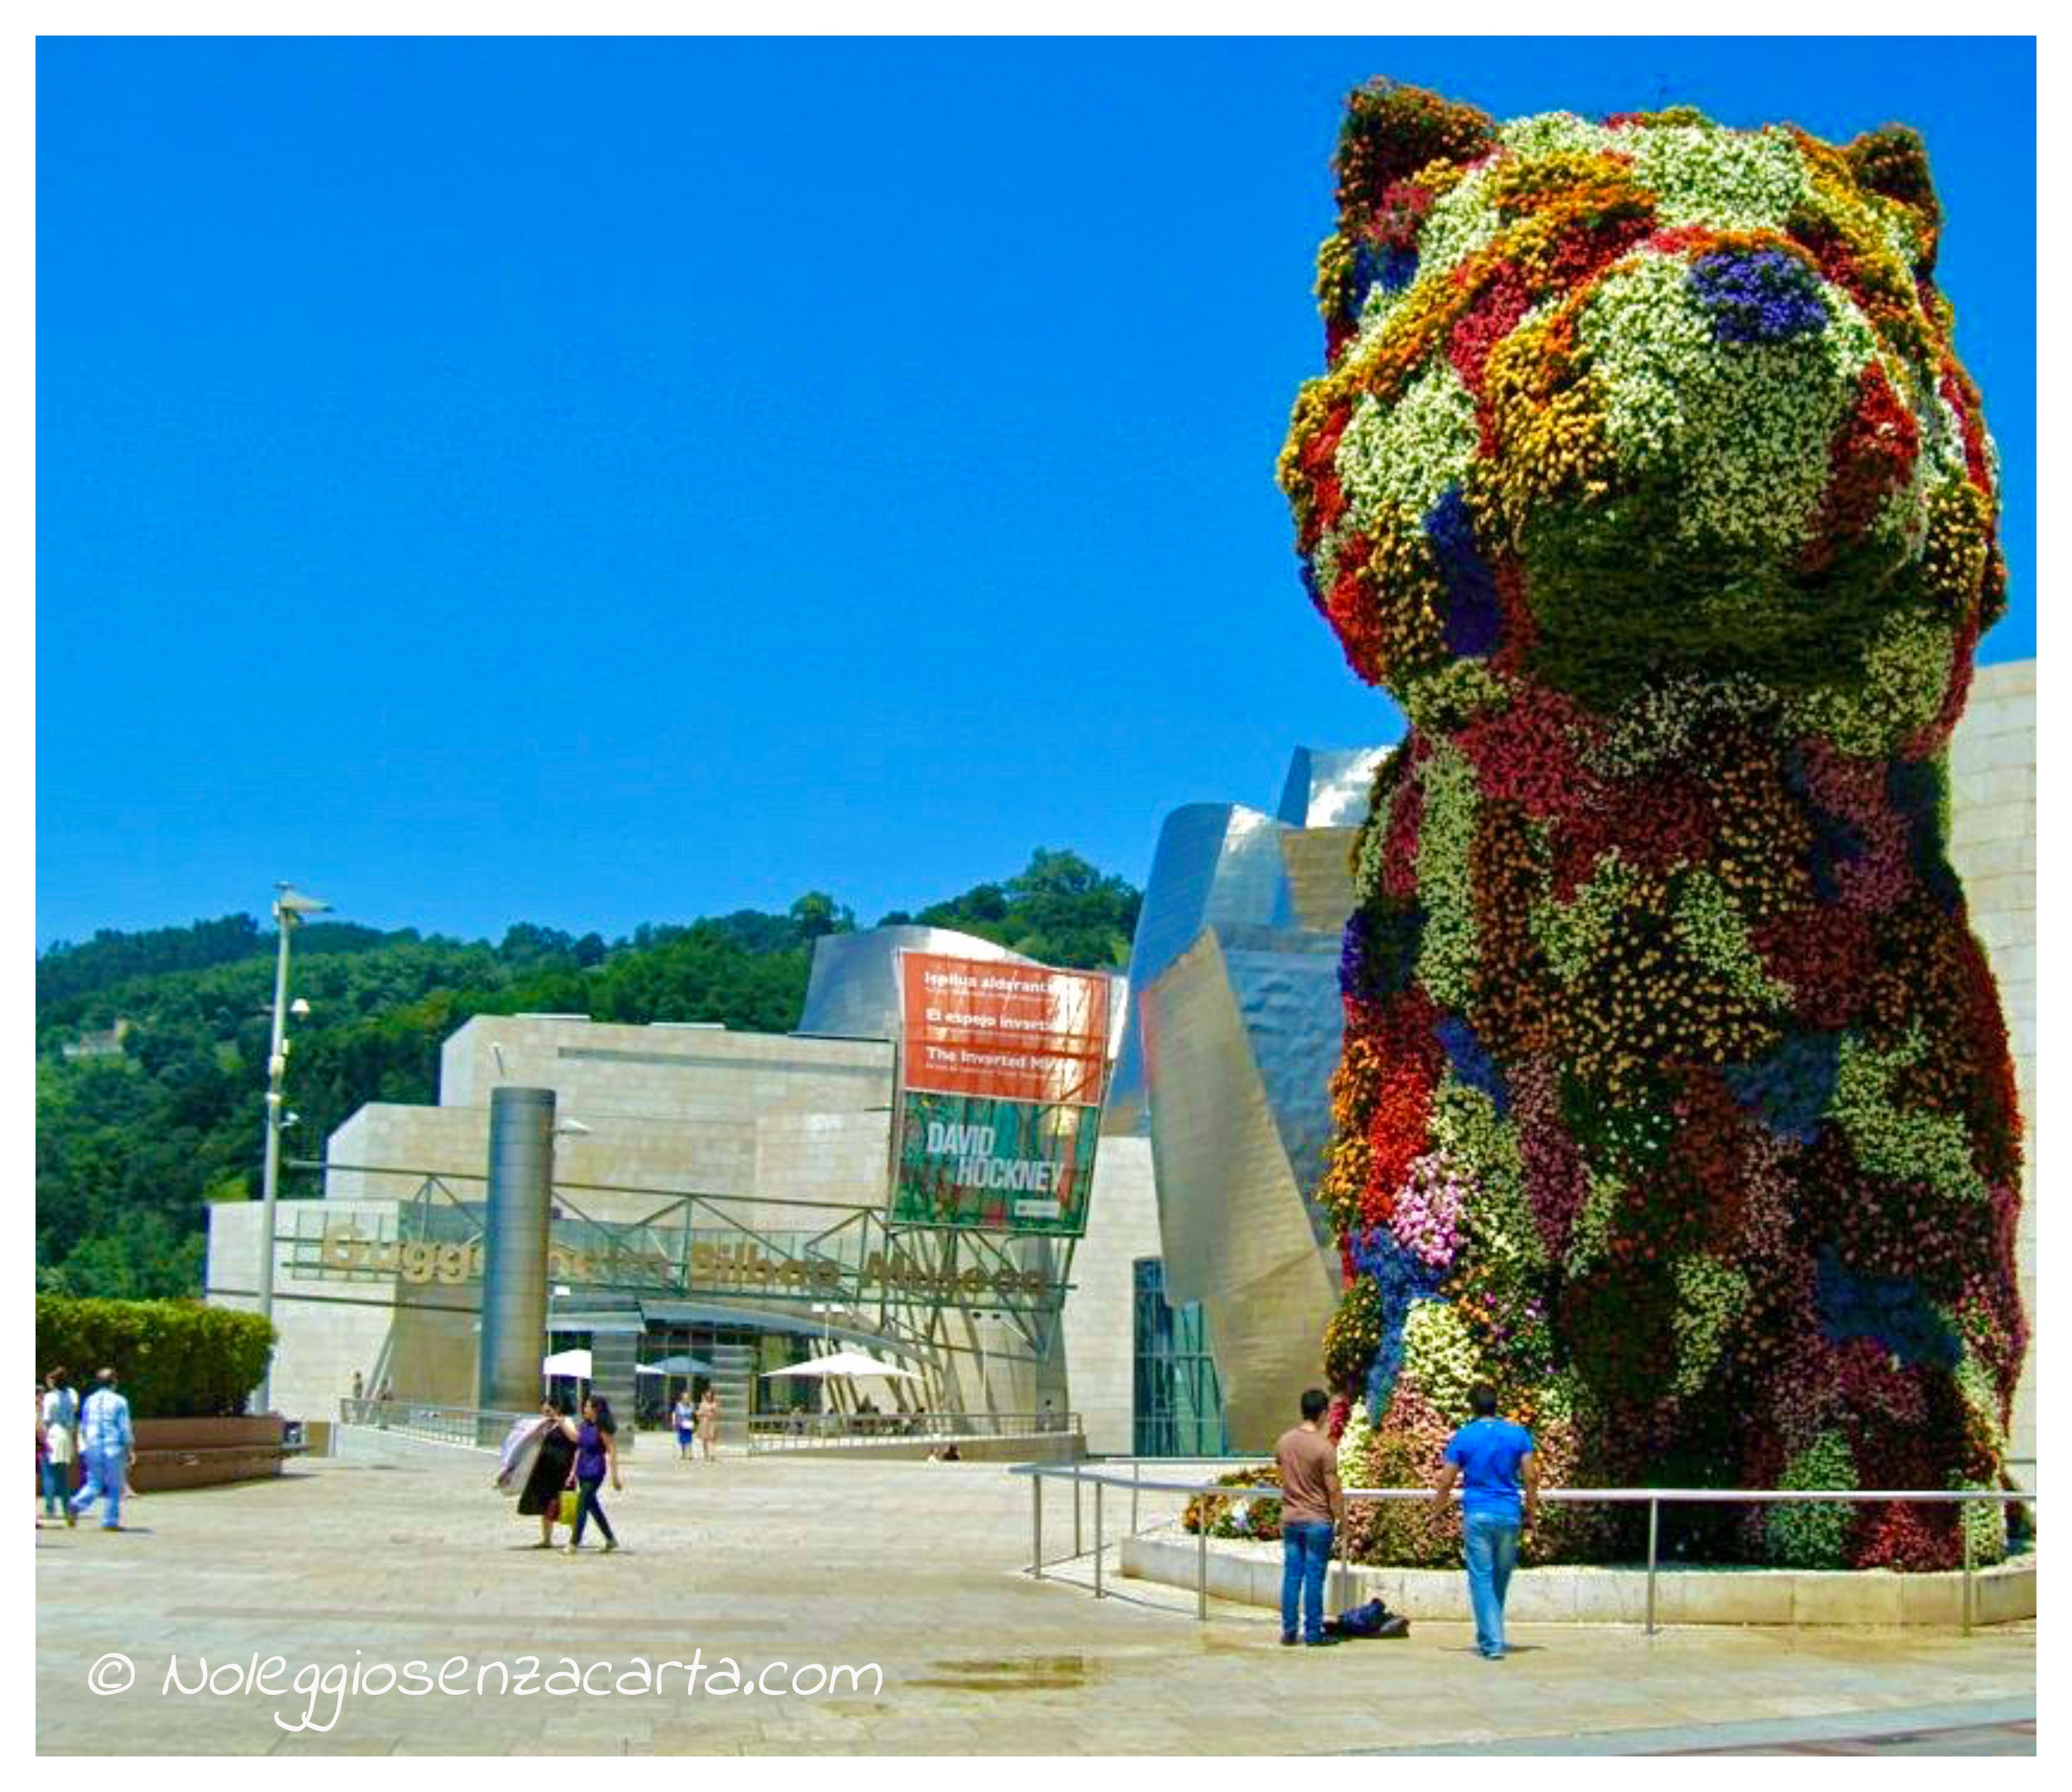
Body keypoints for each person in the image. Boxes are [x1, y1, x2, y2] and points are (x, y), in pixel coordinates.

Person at [1433, 1381, 1539, 1661]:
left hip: (1478, 1513)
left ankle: (1492, 1642)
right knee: (1499, 1579)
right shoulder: (1519, 1435)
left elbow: (1446, 1480)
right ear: (1496, 1404)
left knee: (1481, 1579)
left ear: (1472, 1406)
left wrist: (1437, 1513)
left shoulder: (1464, 1437)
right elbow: (1530, 1476)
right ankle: (1490, 1634)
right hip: (1509, 1513)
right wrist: (1532, 1512)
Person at [1275, 1388, 1345, 1647]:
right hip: (1317, 1519)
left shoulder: (1283, 1442)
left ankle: (1289, 1630)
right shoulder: (1324, 1448)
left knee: (1292, 1575)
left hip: (1291, 1518)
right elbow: (1333, 1489)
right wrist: (1342, 1520)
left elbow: (1283, 1477)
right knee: (1314, 1577)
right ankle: (1314, 1634)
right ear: (1324, 1413)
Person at [69, 1367, 134, 1532]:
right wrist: (129, 1448)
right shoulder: (120, 1401)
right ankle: (110, 1521)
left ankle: (76, 1504)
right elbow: (124, 1428)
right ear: (114, 1382)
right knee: (115, 1485)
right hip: (113, 1446)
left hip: (93, 1446)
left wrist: (85, 1445)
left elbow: (83, 1426)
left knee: (94, 1482)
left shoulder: (90, 1400)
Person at [561, 1394, 622, 1554]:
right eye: (585, 1406)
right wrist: (562, 1424)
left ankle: (574, 1543)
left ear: (596, 1409)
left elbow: (612, 1450)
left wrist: (615, 1476)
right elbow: (577, 1441)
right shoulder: (584, 1425)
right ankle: (610, 1539)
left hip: (596, 1470)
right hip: (582, 1469)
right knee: (593, 1507)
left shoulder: (602, 1428)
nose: (585, 1409)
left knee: (582, 1504)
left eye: (588, 1406)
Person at [515, 1398, 578, 1548]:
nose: (546, 1414)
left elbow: (576, 1439)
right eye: (543, 1411)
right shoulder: (545, 1424)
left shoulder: (567, 1421)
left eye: (548, 1411)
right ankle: (547, 1540)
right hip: (545, 1470)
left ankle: (576, 1538)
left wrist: (561, 1423)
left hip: (563, 1471)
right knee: (546, 1505)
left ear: (557, 1409)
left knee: (566, 1506)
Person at [41, 1369, 78, 1527]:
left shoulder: (50, 1397)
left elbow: (46, 1420)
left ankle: (50, 1509)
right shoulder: (69, 1397)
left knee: (48, 1472)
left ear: (54, 1382)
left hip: (53, 1435)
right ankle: (68, 1512)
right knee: (62, 1476)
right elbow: (72, 1421)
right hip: (66, 1435)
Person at [696, 1387, 719, 1461]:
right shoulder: (702, 1403)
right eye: (707, 1395)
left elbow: (716, 1414)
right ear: (706, 1396)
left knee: (712, 1439)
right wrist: (705, 1414)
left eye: (710, 1395)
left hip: (711, 1423)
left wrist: (709, 1414)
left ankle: (713, 1454)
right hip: (704, 1423)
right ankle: (706, 1454)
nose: (709, 1396)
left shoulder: (714, 1404)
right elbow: (698, 1413)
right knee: (705, 1439)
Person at [672, 1391, 696, 1460]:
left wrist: (694, 1424)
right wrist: (675, 1423)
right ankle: (683, 1454)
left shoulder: (691, 1405)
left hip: (689, 1424)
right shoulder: (678, 1405)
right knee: (682, 1440)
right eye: (684, 1397)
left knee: (689, 1439)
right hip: (681, 1423)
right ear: (682, 1398)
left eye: (687, 1397)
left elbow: (694, 1415)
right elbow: (676, 1414)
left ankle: (690, 1454)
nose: (686, 1399)